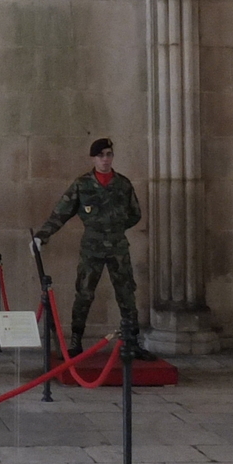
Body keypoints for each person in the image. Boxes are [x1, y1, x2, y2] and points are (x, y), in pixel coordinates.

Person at [33, 137, 151, 358]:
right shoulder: (82, 185)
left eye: (109, 154)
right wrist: (42, 236)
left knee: (126, 294)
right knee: (84, 294)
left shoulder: (123, 184)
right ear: (93, 158)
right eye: (101, 155)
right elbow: (61, 213)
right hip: (92, 248)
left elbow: (135, 214)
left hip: (118, 248)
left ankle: (132, 342)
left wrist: (113, 227)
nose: (105, 159)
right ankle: (76, 342)